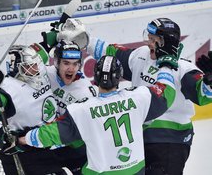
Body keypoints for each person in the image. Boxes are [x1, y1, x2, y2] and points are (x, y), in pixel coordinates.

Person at [86, 18, 212, 174]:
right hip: (139, 138)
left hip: (171, 141)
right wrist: (84, 39)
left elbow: (204, 96)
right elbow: (110, 51)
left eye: (154, 40)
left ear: (166, 43)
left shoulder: (183, 68)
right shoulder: (141, 55)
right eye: (149, 38)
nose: (148, 43)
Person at [19, 54, 177, 174]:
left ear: (95, 77)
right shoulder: (138, 98)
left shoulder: (83, 110)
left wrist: (23, 139)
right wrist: (166, 65)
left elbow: (52, 134)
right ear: (119, 77)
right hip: (135, 170)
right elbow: (167, 93)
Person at [0, 40, 97, 174]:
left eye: (75, 64)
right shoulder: (45, 75)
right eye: (66, 63)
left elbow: (43, 46)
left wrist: (59, 32)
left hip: (71, 145)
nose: (71, 69)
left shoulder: (85, 90)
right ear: (57, 63)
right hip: (43, 147)